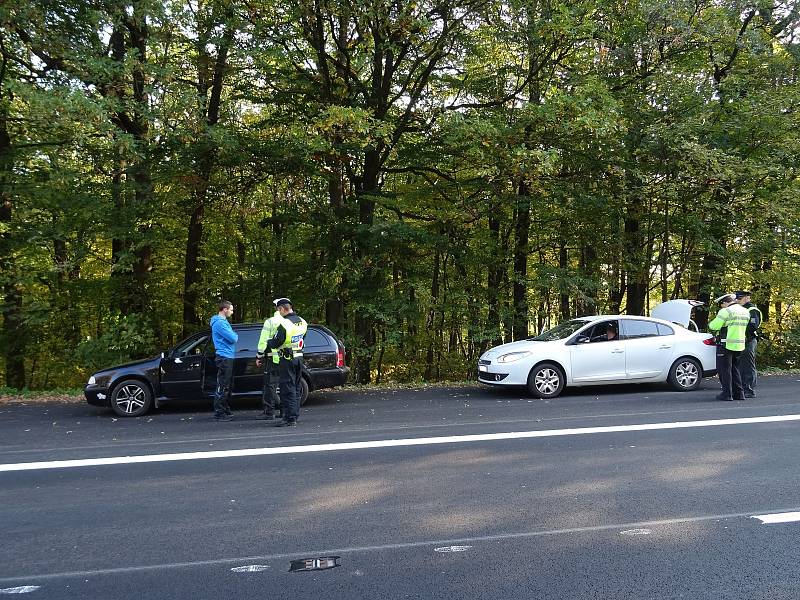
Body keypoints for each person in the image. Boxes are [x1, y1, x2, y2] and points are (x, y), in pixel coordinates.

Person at [266, 297, 307, 427]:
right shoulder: (303, 322)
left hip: (287, 359)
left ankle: (289, 418)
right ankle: (294, 415)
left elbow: (276, 341)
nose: (279, 313)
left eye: (279, 310)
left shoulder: (284, 324)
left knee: (287, 388)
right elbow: (303, 337)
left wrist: (269, 341)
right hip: (299, 357)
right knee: (296, 387)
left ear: (282, 309)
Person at [708, 293, 750, 401]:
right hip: (740, 344)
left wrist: (712, 324)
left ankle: (727, 394)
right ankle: (739, 394)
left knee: (725, 370)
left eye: (721, 305)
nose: (721, 307)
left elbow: (714, 326)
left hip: (726, 344)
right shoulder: (745, 311)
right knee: (735, 369)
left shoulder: (726, 311)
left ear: (724, 302)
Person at [210, 300, 238, 421]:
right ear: (225, 310)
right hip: (224, 356)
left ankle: (225, 409)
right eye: (231, 310)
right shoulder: (220, 323)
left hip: (227, 356)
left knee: (227, 385)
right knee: (223, 385)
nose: (232, 312)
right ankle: (219, 413)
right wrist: (234, 335)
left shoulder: (223, 322)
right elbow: (233, 338)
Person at [255, 302, 283, 420]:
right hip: (287, 359)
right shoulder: (290, 321)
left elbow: (263, 341)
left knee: (269, 386)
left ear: (276, 308)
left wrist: (259, 356)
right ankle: (285, 411)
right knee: (285, 386)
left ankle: (269, 412)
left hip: (273, 358)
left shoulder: (270, 322)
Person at [735, 290, 762, 398]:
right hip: (742, 340)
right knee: (741, 365)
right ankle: (743, 387)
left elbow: (753, 326)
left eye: (739, 298)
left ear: (747, 298)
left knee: (748, 365)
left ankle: (749, 389)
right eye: (737, 299)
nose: (737, 301)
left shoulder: (752, 310)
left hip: (749, 340)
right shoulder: (741, 309)